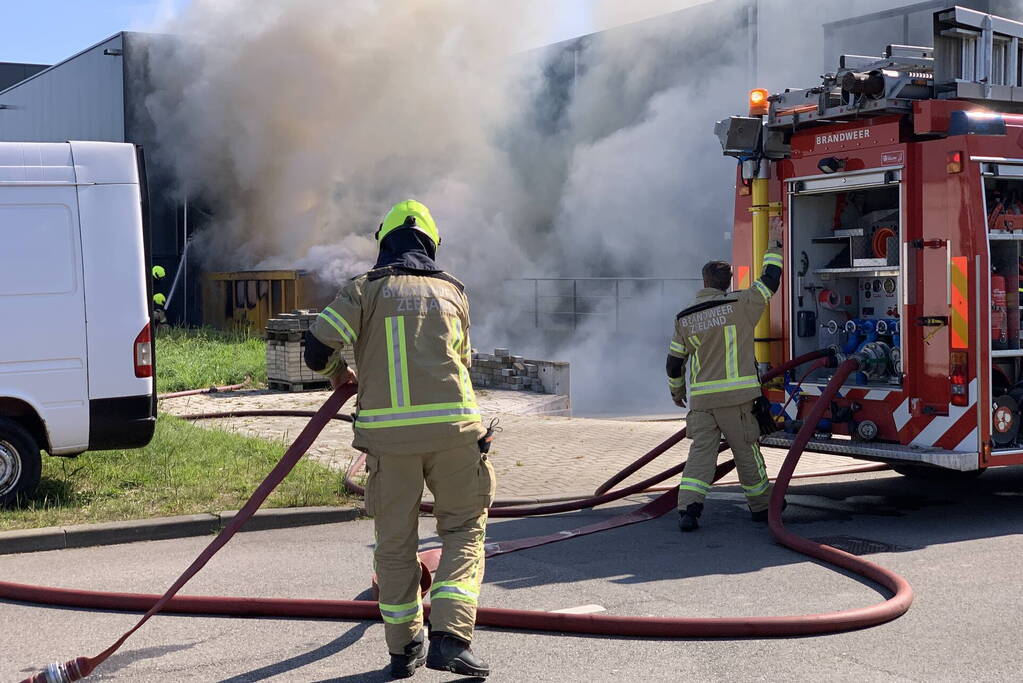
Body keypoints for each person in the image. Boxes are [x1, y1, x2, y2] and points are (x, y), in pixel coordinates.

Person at [304, 200, 495, 678]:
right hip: (456, 435)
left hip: (390, 445)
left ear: (383, 242)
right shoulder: (454, 292)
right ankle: (451, 638)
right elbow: (464, 363)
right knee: (464, 533)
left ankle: (404, 648)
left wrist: (336, 373)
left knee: (394, 545)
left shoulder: (364, 291)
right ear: (431, 243)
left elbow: (315, 349)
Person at [666, 216, 784, 532]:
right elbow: (771, 279)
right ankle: (762, 508)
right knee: (747, 454)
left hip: (702, 403)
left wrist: (677, 392)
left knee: (700, 457)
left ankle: (688, 510)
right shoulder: (741, 303)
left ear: (703, 282)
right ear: (728, 283)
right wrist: (775, 242)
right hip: (738, 400)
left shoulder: (685, 318)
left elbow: (674, 363)